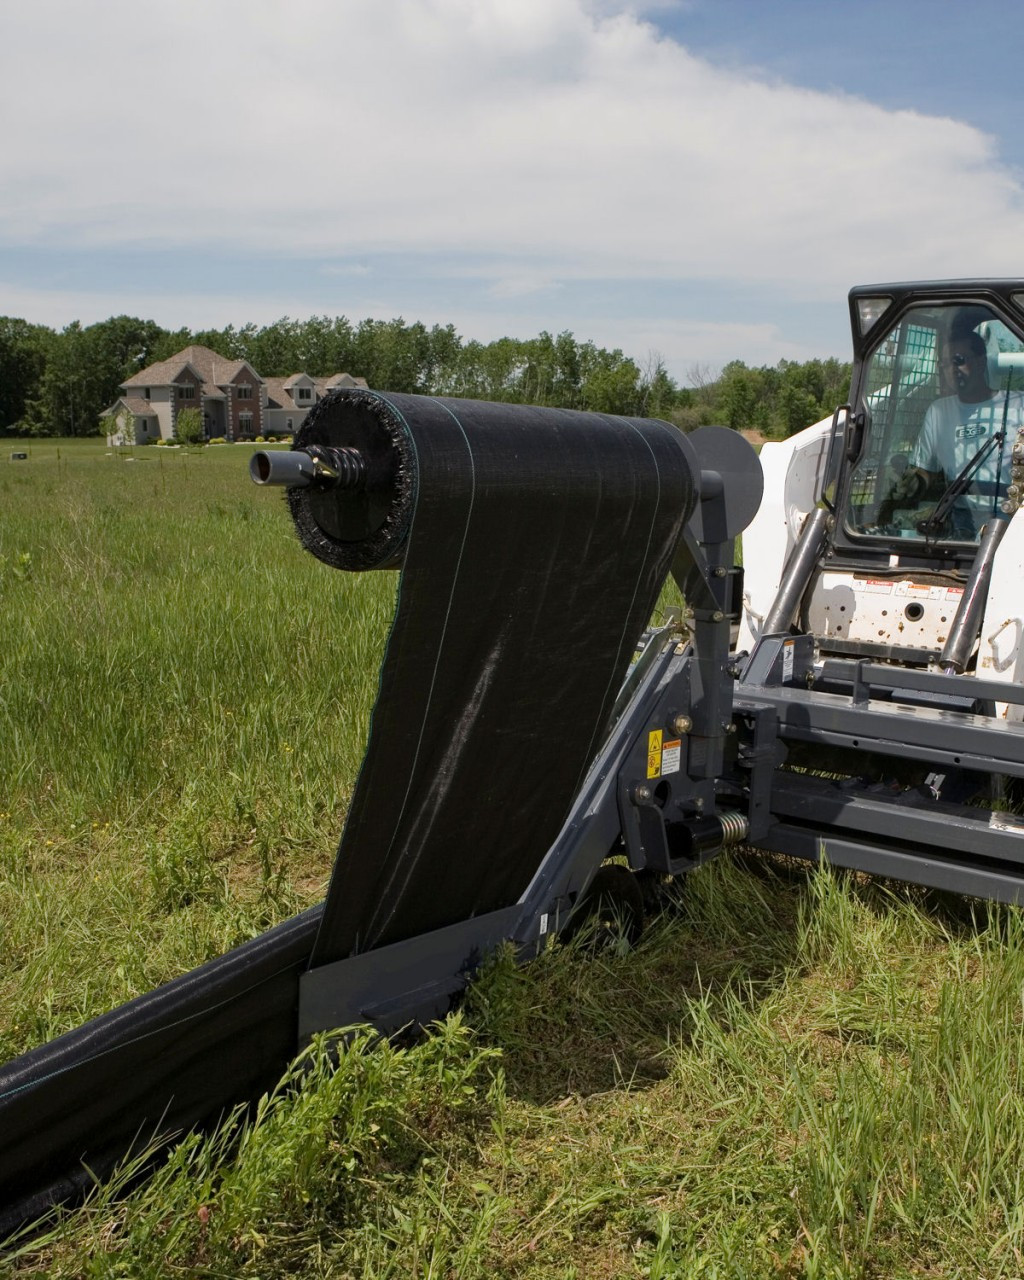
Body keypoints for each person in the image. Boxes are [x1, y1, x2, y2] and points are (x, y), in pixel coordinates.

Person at [898, 331, 1024, 539]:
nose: (952, 370)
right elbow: (924, 472)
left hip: (1012, 514)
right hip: (958, 517)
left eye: (959, 361)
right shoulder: (939, 411)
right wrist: (905, 487)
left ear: (981, 362)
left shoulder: (1018, 404)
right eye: (945, 364)